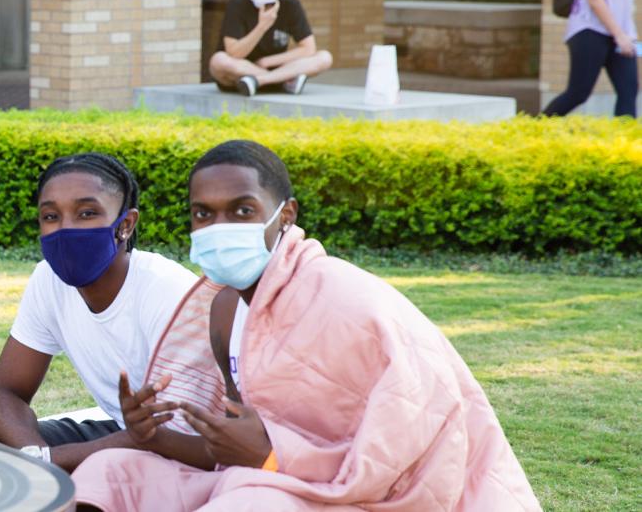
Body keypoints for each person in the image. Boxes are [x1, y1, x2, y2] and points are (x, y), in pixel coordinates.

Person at [69, 140, 540, 511]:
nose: (219, 226)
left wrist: (274, 458)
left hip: (363, 496)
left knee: (249, 502)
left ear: (285, 215)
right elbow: (232, 452)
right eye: (203, 214)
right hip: (261, 480)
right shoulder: (223, 309)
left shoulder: (344, 298)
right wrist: (153, 436)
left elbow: (409, 444)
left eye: (242, 210)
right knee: (109, 473)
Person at [0, 153, 198, 472]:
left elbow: (169, 434)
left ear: (126, 225)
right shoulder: (48, 280)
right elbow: (6, 394)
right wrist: (38, 458)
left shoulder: (167, 292)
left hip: (182, 449)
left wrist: (48, 463)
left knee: (100, 475)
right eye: (50, 216)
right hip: (118, 434)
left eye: (87, 213)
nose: (65, 229)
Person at [209, 0, 334, 97]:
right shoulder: (238, 4)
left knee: (324, 57)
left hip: (274, 68)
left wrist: (267, 61)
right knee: (218, 60)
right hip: (241, 71)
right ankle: (282, 81)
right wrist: (262, 26)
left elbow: (308, 48)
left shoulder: (290, 5)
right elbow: (233, 53)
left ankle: (261, 80)